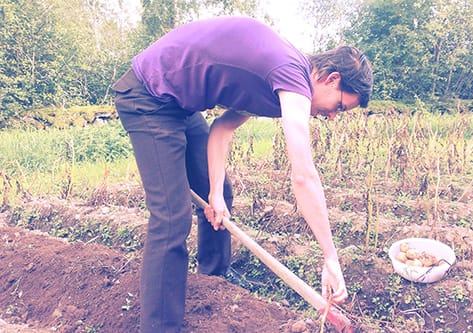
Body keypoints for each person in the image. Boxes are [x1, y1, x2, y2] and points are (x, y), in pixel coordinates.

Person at [111, 16, 373, 333]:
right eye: (340, 107)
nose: (332, 116)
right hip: (149, 95)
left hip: (181, 105)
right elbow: (303, 175)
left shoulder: (282, 77)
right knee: (170, 218)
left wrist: (216, 193)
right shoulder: (291, 74)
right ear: (332, 79)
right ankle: (159, 327)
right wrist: (330, 257)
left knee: (220, 192)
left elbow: (222, 128)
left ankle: (214, 275)